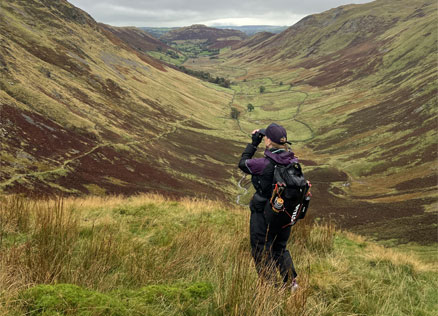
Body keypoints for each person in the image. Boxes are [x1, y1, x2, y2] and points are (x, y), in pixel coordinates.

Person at [238, 123, 299, 289]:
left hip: (263, 214)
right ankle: (292, 285)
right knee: (279, 248)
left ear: (269, 142)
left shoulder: (263, 164)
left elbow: (243, 163)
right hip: (285, 214)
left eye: (266, 137)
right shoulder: (292, 161)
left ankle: (270, 290)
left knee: (260, 249)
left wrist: (253, 143)